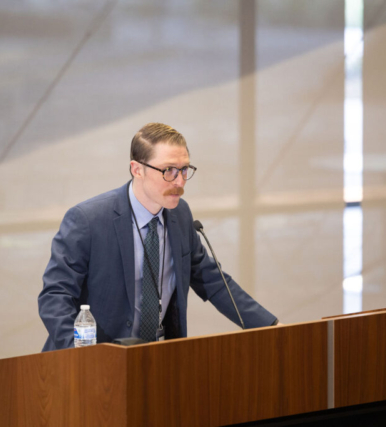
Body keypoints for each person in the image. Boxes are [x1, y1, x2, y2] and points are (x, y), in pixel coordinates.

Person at [38, 123, 278, 351]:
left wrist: (272, 329)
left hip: (156, 361)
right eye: (168, 171)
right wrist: (82, 356)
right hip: (92, 362)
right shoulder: (88, 220)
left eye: (184, 170)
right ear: (137, 169)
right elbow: (55, 296)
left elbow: (213, 281)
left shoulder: (180, 215)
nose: (180, 182)